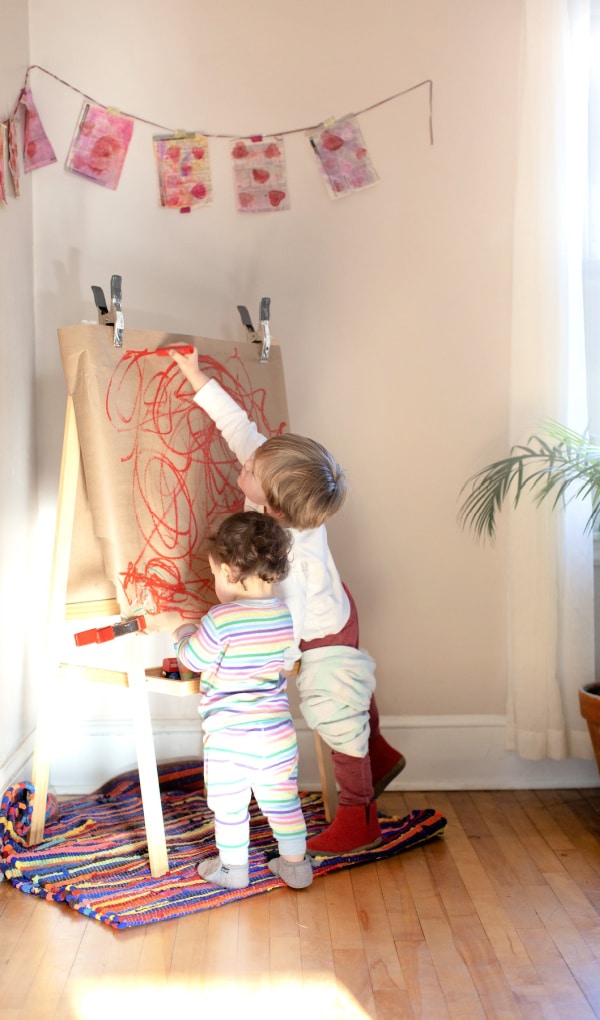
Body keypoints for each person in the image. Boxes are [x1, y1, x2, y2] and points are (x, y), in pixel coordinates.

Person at [170, 347, 406, 856]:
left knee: (332, 709)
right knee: (353, 688)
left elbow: (285, 619)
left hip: (318, 629)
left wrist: (275, 665)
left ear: (273, 507)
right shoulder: (274, 484)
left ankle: (358, 817)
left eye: (252, 467)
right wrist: (197, 377)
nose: (247, 460)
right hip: (336, 606)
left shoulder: (289, 555)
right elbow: (241, 430)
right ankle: (381, 752)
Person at [173, 510, 313, 890]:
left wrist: (184, 631)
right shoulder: (283, 616)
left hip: (230, 737)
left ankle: (233, 871)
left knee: (230, 806)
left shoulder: (220, 619)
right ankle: (296, 866)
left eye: (215, 574)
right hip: (277, 735)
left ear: (231, 570)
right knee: (283, 801)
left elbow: (193, 659)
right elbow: (280, 661)